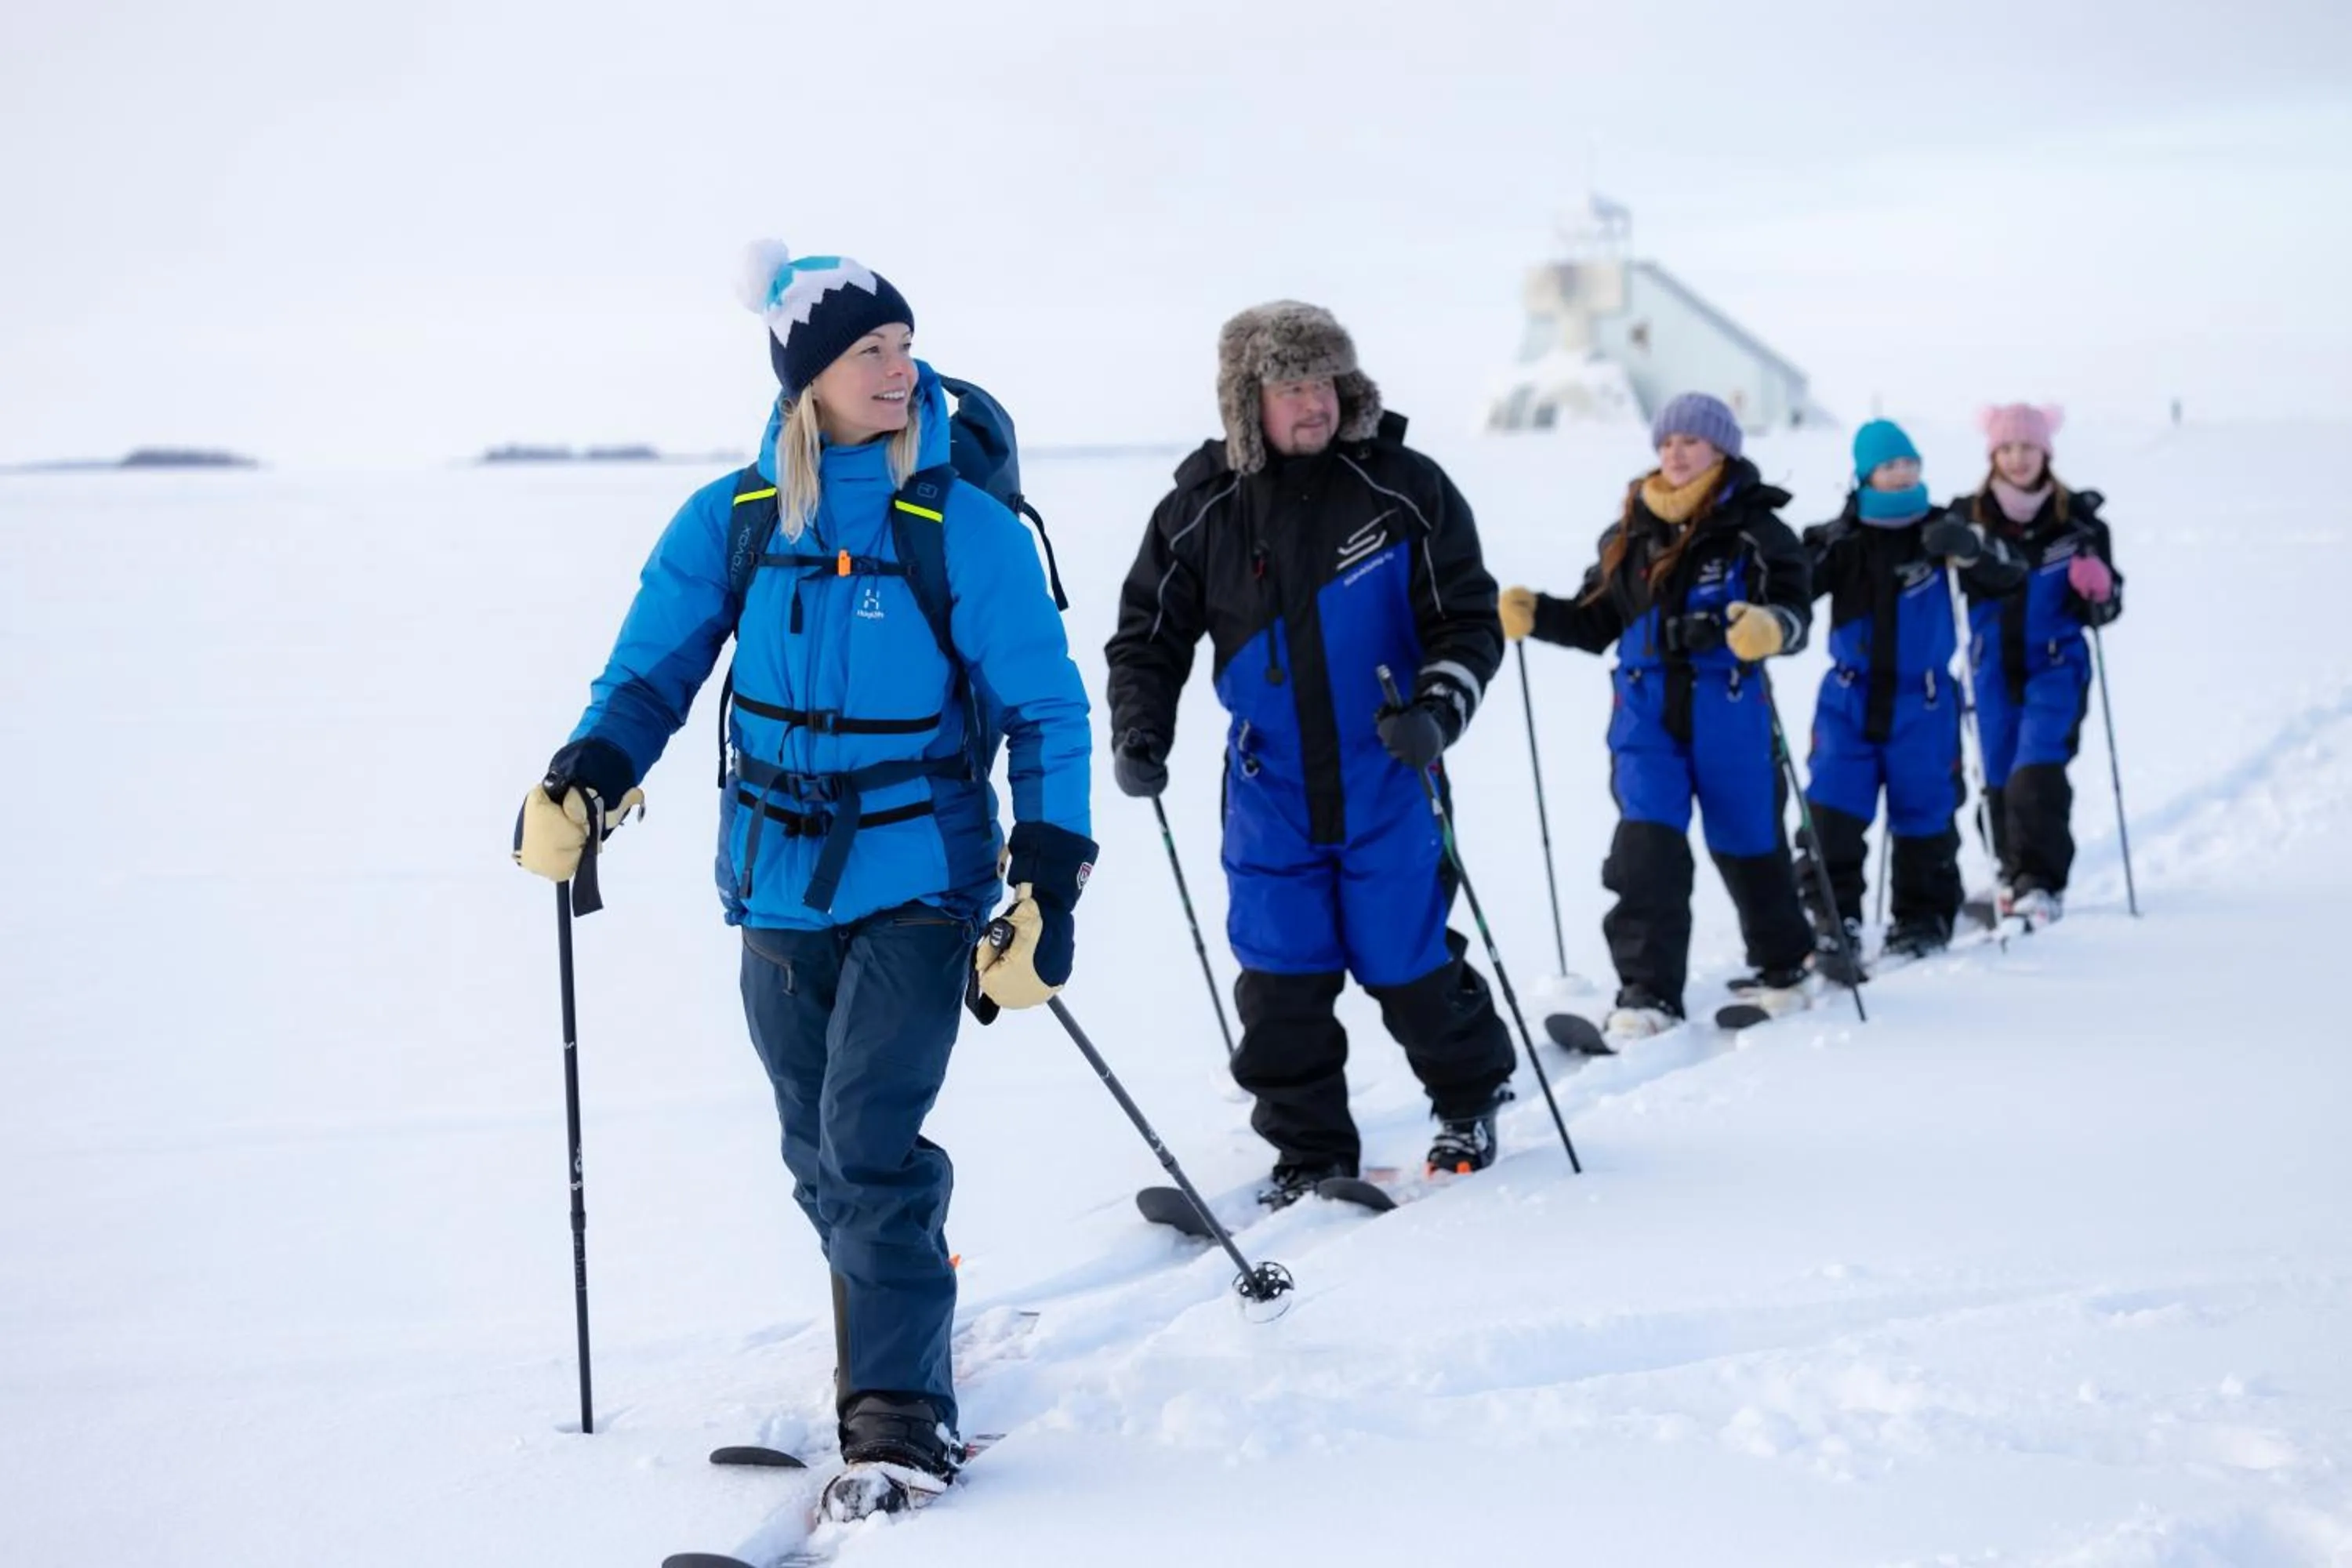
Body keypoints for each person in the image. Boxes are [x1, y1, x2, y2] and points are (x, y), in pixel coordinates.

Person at [513, 244, 1094, 1515]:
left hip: (919, 879)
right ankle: (906, 1303)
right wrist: (587, 775)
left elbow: (1046, 711)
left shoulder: (961, 527)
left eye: (905, 346)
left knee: (867, 1143)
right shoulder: (735, 520)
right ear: (805, 378)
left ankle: (899, 1420)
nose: (900, 369)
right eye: (868, 351)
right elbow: (649, 674)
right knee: (816, 1154)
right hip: (773, 882)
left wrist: (1049, 879)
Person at [1104, 301, 1515, 1199]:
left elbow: (1468, 620)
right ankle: (1310, 1150)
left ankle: (1470, 1099)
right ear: (1247, 398)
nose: (1314, 402)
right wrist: (1140, 727)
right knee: (1280, 976)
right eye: (1291, 386)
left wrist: (1437, 709)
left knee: (1408, 959)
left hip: (1389, 773)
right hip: (1271, 787)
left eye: (1325, 382)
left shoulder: (1403, 487)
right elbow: (1147, 640)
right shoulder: (1198, 509)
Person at [1500, 392, 1816, 1039]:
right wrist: (1539, 614)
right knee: (1646, 850)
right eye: (1667, 442)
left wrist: (1770, 627)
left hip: (1729, 712)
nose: (1676, 453)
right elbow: (1595, 622)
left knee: (1750, 843)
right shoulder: (1629, 534)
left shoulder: (1756, 531)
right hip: (1645, 719)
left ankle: (1784, 967)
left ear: (1721, 450)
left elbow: (1794, 611)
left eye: (1691, 441)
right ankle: (1647, 992)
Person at [1792, 419, 2026, 975]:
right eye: (1888, 466)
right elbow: (1793, 588)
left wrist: (1970, 550)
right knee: (1832, 807)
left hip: (1924, 701)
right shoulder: (1842, 539)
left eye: (1909, 464)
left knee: (1925, 810)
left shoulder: (1944, 530)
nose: (1901, 474)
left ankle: (1921, 920)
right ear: (1865, 474)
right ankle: (1833, 921)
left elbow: (2010, 575)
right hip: (1849, 699)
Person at [1952, 403, 2122, 923]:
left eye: (2027, 447)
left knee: (2036, 768)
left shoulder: (2078, 524)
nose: (2017, 458)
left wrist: (2099, 590)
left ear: (2045, 452)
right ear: (1992, 455)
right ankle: (2010, 872)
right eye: (2006, 448)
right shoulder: (1968, 520)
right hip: (1991, 667)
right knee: (1998, 773)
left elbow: (2107, 607)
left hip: (2056, 665)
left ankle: (2040, 882)